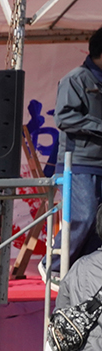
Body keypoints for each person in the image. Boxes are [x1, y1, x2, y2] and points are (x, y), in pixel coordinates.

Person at [52, 27, 102, 276]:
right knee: (84, 216)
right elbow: (64, 117)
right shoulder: (76, 79)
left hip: (99, 163)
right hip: (79, 163)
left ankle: (83, 274)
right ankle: (53, 265)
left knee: (98, 225)